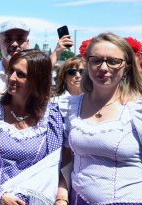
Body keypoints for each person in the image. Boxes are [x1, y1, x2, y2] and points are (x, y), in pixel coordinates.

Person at [57, 32, 142, 204]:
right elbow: (66, 160)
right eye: (96, 60)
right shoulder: (70, 107)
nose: (103, 68)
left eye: (113, 61)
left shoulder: (136, 109)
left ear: (126, 68)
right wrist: (61, 198)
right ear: (87, 64)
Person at [0, 49, 63, 204]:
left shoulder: (51, 117)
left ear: (37, 80)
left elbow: (52, 166)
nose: (11, 77)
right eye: (11, 71)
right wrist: (0, 194)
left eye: (20, 74)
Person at [0, 20, 31, 95]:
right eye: (8, 39)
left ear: (27, 44)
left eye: (20, 39)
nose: (14, 44)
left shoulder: (37, 76)